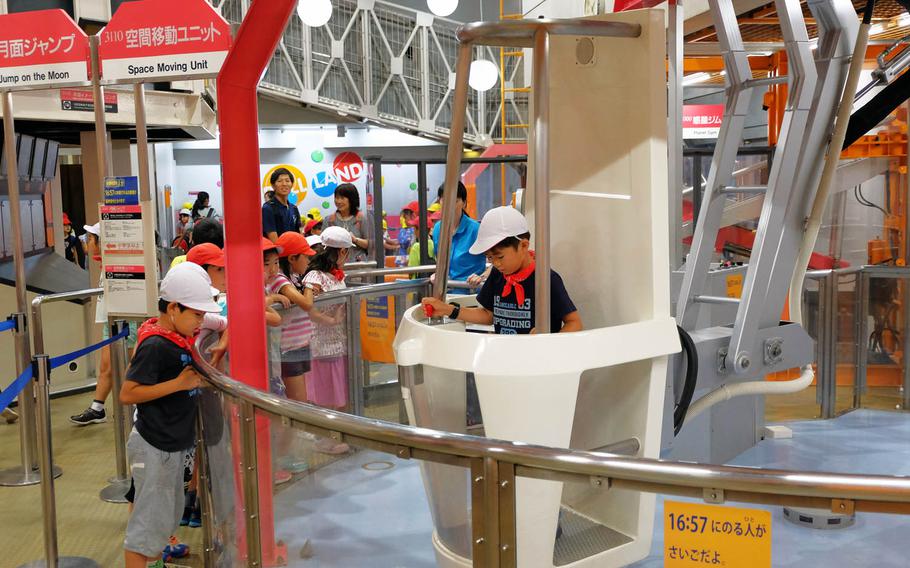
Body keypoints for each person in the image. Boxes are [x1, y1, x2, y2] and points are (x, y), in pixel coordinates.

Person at [120, 263, 221, 568]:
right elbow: (128, 393)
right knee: (146, 529)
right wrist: (178, 384)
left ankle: (155, 562)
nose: (201, 323)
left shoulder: (177, 335)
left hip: (171, 443)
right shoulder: (156, 344)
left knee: (163, 518)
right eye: (197, 315)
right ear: (174, 308)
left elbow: (221, 322)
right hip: (155, 444)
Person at [422, 206, 582, 334]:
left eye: (500, 257)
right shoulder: (498, 275)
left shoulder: (546, 279)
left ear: (523, 246)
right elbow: (488, 315)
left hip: (537, 366)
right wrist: (448, 310)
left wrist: (549, 342)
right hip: (504, 360)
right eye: (490, 258)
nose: (496, 264)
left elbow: (574, 323)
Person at [70, 223, 140, 426]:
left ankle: (134, 407)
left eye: (91, 238)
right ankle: (97, 408)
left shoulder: (120, 265)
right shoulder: (106, 264)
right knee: (106, 366)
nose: (88, 242)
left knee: (126, 366)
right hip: (112, 321)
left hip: (125, 322)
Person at [300, 226, 354, 454]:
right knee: (326, 393)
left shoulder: (336, 274)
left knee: (338, 391)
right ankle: (328, 437)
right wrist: (329, 320)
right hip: (322, 344)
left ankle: (337, 435)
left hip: (339, 343)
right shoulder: (315, 276)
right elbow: (309, 307)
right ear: (341, 252)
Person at [431, 181, 486, 283]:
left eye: (455, 201)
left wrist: (482, 277)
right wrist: (437, 274)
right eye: (444, 200)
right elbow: (439, 261)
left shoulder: (476, 229)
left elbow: (497, 262)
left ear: (464, 203)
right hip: (446, 292)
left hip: (470, 292)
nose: (449, 206)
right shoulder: (438, 229)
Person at [325, 183, 371, 262]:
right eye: (336, 197)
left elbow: (370, 244)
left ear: (352, 199)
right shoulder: (329, 220)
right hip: (335, 266)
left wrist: (355, 240)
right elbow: (322, 244)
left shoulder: (362, 219)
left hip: (358, 266)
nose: (338, 201)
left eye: (342, 198)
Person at [262, 168, 302, 242]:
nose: (284, 184)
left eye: (287, 181)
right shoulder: (268, 208)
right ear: (273, 185)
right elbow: (274, 240)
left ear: (292, 184)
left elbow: (299, 233)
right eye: (279, 181)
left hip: (294, 250)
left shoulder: (294, 208)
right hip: (277, 252)